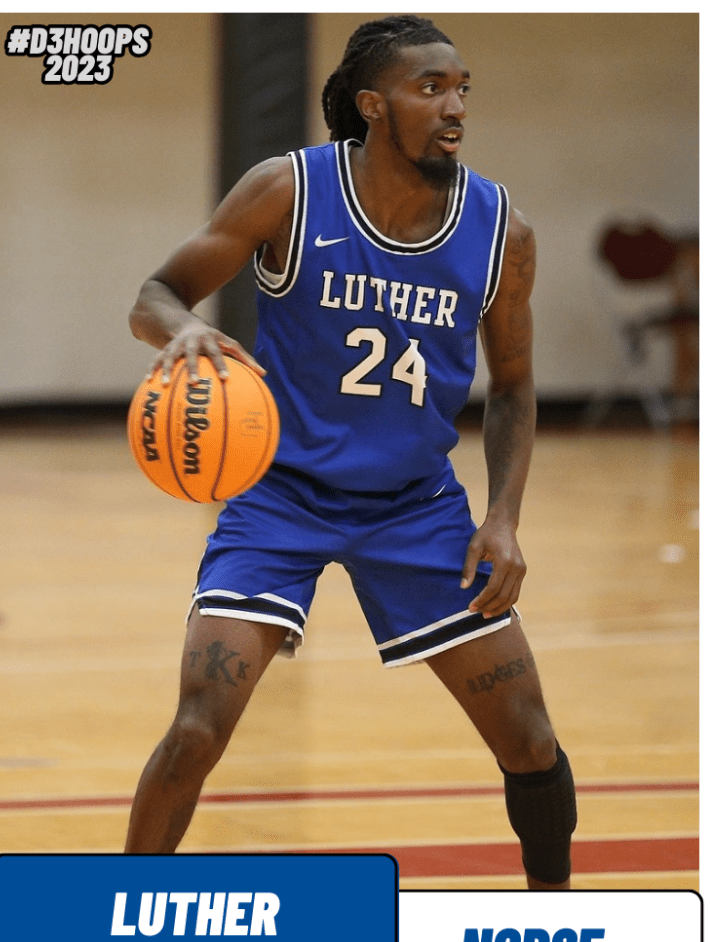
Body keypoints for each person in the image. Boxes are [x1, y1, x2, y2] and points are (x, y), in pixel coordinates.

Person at [125, 15, 577, 890]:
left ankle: (555, 915)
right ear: (372, 105)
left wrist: (503, 517)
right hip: (279, 497)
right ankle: (121, 916)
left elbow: (514, 386)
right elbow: (157, 291)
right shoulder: (287, 191)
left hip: (415, 506)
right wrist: (181, 331)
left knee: (528, 738)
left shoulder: (499, 231)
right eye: (430, 88)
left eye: (461, 89)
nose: (454, 107)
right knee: (197, 729)